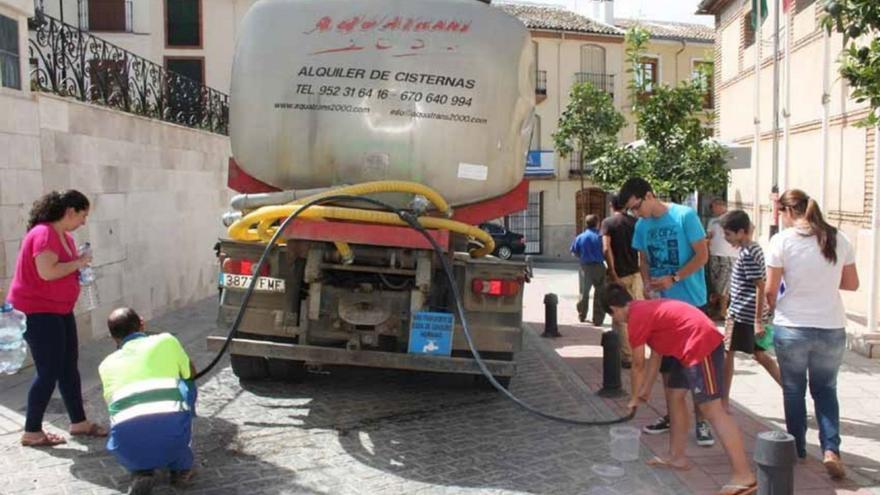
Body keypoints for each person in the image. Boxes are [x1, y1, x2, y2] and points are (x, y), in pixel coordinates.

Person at [606, 284, 757, 495]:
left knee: (712, 409)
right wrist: (645, 391)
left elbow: (638, 364)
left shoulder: (636, 318)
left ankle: (744, 476)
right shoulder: (643, 309)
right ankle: (677, 457)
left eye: (614, 316)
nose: (617, 320)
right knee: (674, 394)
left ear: (615, 309)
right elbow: (656, 354)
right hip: (684, 346)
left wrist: (632, 397)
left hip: (700, 342)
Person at [765, 189, 859, 480]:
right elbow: (852, 283)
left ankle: (796, 449)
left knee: (794, 390)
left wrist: (772, 308)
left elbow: (770, 289)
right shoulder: (838, 238)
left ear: (788, 212)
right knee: (826, 389)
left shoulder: (781, 241)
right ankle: (831, 450)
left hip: (792, 325)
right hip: (830, 326)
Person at [7, 190, 108, 447]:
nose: (84, 222)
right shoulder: (44, 233)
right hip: (38, 311)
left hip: (59, 310)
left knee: (67, 366)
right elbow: (47, 272)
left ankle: (78, 422)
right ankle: (32, 431)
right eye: (83, 215)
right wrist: (79, 263)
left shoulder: (65, 237)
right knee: (49, 370)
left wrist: (80, 267)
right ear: (70, 211)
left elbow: (63, 269)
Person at [618, 177, 714, 446]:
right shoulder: (641, 226)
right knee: (667, 368)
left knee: (695, 368)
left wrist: (675, 277)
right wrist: (648, 284)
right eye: (631, 211)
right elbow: (644, 259)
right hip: (662, 307)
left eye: (636, 207)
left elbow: (702, 256)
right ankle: (672, 415)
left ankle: (702, 421)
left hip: (691, 304)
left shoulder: (685, 216)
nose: (635, 214)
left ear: (648, 195)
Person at [99, 307, 198, 494]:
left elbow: (112, 408)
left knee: (129, 411)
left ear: (113, 338)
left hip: (124, 447)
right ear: (142, 324)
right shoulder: (167, 340)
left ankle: (142, 470)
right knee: (186, 384)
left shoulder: (105, 365)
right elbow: (190, 373)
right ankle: (181, 468)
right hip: (173, 438)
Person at [718, 210, 781, 413]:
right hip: (745, 313)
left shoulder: (748, 254)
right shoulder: (751, 250)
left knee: (727, 353)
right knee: (760, 355)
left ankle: (723, 401)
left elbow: (760, 286)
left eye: (728, 234)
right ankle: (793, 392)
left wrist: (757, 321)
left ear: (741, 232)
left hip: (742, 315)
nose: (727, 240)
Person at [601, 194, 643, 368]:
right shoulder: (636, 223)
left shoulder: (608, 223)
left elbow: (605, 248)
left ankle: (625, 356)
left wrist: (612, 272)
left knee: (620, 316)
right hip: (636, 274)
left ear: (612, 205)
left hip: (620, 275)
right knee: (638, 315)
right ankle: (638, 353)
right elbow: (642, 249)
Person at [570, 214, 606, 326]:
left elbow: (574, 251)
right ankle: (598, 318)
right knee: (600, 292)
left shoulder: (580, 237)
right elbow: (606, 251)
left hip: (585, 267)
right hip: (599, 266)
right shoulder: (601, 237)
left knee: (584, 292)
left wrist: (583, 256)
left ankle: (582, 314)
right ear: (597, 223)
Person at [707, 199, 739, 320]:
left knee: (724, 283)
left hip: (729, 255)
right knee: (716, 283)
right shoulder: (712, 221)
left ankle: (723, 311)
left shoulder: (733, 217)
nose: (712, 209)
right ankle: (719, 309)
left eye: (714, 206)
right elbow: (709, 235)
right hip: (715, 254)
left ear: (721, 206)